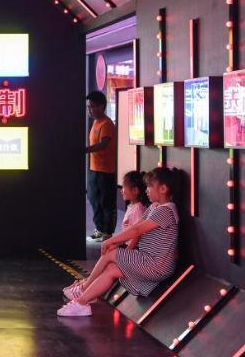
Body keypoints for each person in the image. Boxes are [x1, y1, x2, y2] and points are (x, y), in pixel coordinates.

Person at [58, 167, 180, 317]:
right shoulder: (155, 207)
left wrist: (111, 241)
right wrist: (118, 243)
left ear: (163, 189)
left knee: (110, 253)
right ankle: (84, 301)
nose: (146, 190)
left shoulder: (166, 210)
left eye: (150, 187)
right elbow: (136, 227)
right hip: (149, 261)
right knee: (111, 269)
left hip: (155, 265)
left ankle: (83, 289)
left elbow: (137, 231)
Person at [85, 91, 117, 242]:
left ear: (101, 106)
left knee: (106, 202)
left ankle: (108, 233)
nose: (90, 110)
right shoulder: (95, 123)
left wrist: (84, 150)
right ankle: (99, 229)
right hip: (94, 168)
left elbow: (103, 144)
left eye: (92, 107)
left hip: (106, 170)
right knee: (93, 199)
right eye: (88, 107)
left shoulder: (107, 123)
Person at [120, 170, 148, 247]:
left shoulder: (138, 209)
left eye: (124, 187)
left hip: (135, 247)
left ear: (135, 190)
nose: (122, 190)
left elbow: (137, 234)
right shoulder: (132, 206)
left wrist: (127, 251)